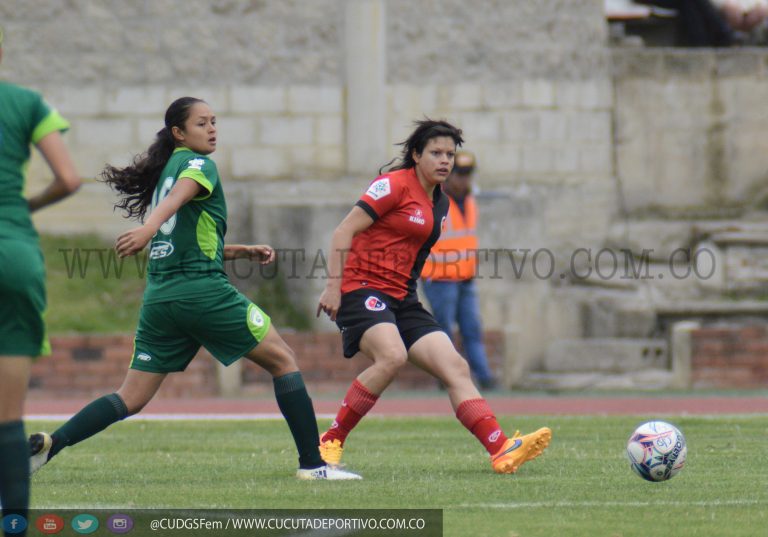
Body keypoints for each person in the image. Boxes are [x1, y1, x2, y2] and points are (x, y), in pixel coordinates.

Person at [28, 97, 360, 481]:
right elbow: (178, 198)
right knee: (283, 360)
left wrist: (237, 251)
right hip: (202, 293)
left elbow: (184, 239)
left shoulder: (166, 170)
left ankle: (51, 445)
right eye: (202, 123)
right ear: (179, 133)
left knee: (130, 397)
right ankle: (314, 466)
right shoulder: (198, 165)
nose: (212, 129)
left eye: (214, 122)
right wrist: (149, 228)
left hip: (161, 299)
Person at [316, 119, 551, 474]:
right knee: (392, 356)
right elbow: (343, 230)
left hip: (401, 299)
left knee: (455, 366)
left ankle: (500, 448)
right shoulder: (392, 185)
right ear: (416, 155)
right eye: (436, 153)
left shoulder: (440, 203)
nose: (445, 161)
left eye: (450, 154)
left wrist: (408, 300)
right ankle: (330, 440)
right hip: (360, 289)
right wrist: (334, 287)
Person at [0, 26, 82, 537]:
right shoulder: (26, 102)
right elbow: (70, 179)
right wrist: (23, 207)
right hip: (15, 252)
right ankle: (12, 526)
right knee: (9, 416)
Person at [420, 150, 497, 390]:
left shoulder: (471, 201)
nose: (463, 180)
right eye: (459, 174)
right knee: (443, 332)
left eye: (467, 174)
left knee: (472, 329)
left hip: (464, 277)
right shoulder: (434, 201)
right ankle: (447, 378)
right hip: (439, 278)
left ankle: (485, 379)